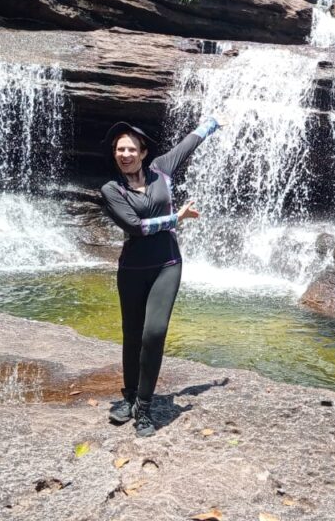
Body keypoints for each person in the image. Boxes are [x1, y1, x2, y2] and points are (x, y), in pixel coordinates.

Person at [99, 114, 222, 437]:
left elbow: (189, 143)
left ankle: (144, 406)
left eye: (131, 149)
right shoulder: (112, 190)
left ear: (143, 153)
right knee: (132, 334)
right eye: (119, 149)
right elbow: (136, 228)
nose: (124, 154)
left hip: (167, 264)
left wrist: (215, 120)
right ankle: (128, 396)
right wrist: (176, 217)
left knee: (154, 333)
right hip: (131, 269)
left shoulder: (162, 171)